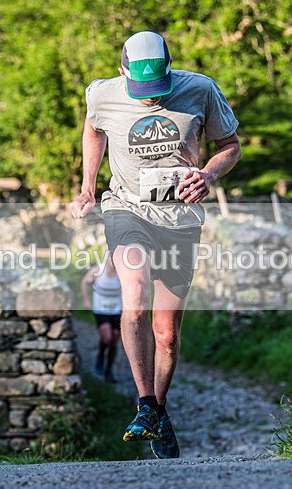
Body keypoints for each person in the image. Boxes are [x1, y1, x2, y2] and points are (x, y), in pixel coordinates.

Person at [69, 30, 241, 459]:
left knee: (166, 335)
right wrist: (89, 184)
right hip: (127, 208)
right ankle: (144, 402)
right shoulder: (102, 94)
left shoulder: (199, 89)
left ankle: (158, 411)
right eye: (141, 91)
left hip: (180, 218)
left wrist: (209, 175)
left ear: (170, 69)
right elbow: (93, 130)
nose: (149, 99)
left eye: (156, 90)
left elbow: (231, 146)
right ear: (122, 70)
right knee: (136, 292)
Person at [81, 256, 122, 383]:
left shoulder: (122, 274)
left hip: (117, 310)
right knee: (108, 338)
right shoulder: (98, 271)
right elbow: (84, 282)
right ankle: (101, 354)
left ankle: (109, 371)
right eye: (111, 259)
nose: (113, 263)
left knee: (114, 343)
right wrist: (86, 300)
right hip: (101, 310)